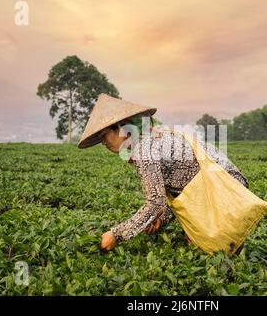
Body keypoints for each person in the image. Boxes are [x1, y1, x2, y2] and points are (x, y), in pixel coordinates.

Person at [78, 94, 250, 253]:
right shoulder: (154, 137)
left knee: (214, 250)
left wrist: (116, 235)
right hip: (225, 186)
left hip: (223, 189)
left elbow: (155, 202)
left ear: (121, 128)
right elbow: (181, 188)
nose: (103, 142)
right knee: (208, 246)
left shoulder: (145, 149)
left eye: (104, 135)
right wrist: (162, 218)